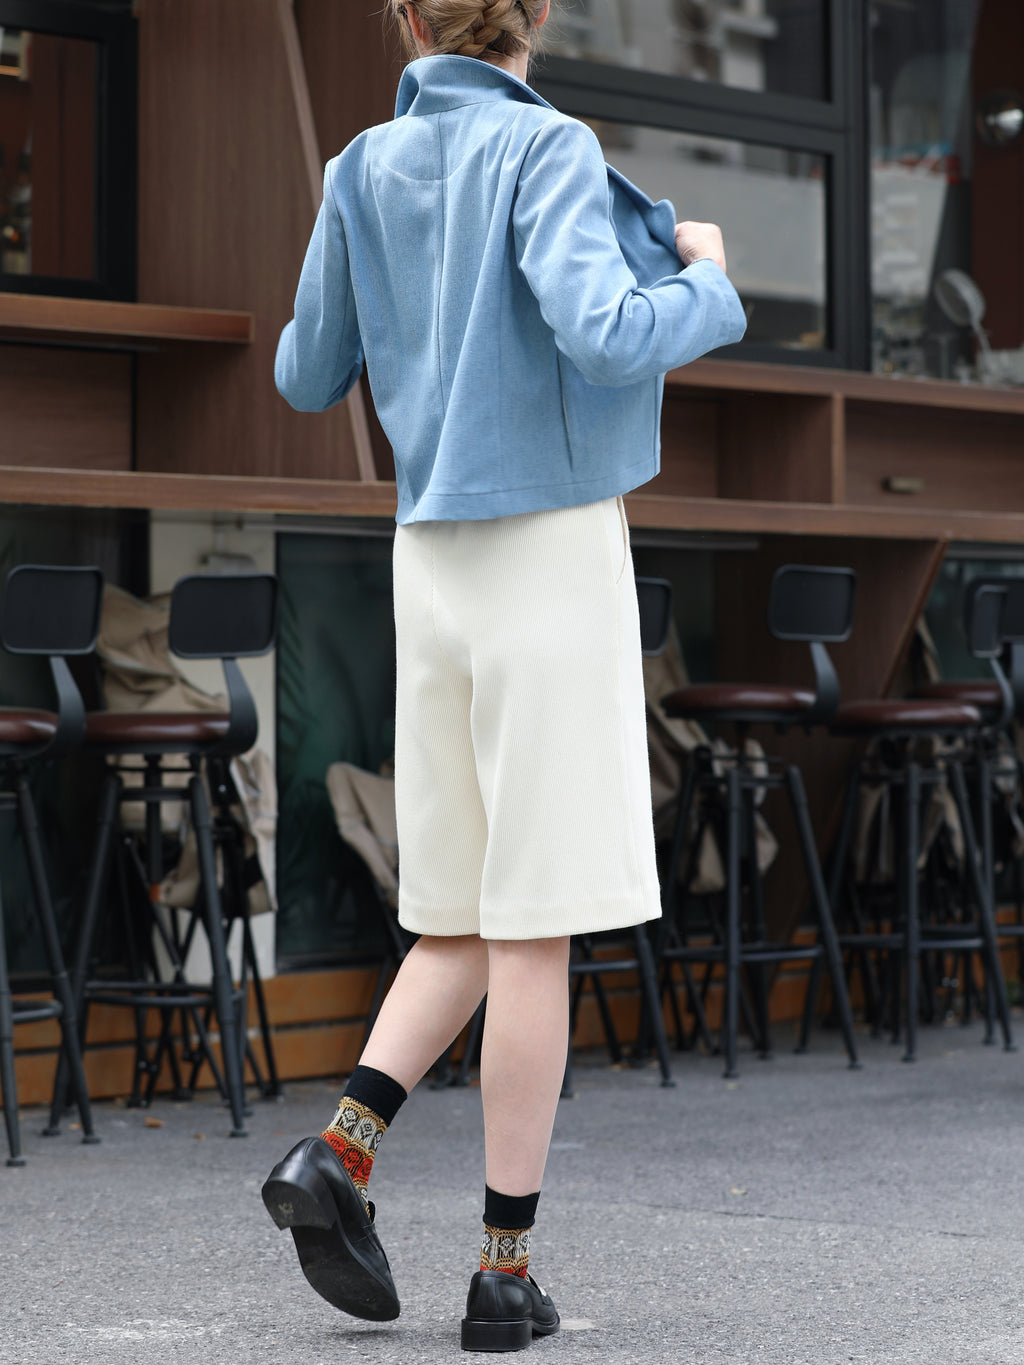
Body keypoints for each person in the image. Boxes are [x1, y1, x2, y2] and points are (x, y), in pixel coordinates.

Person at [262, 0, 745, 1352]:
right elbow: (607, 333)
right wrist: (707, 280)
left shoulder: (359, 166)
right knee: (534, 925)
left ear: (408, 18)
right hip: (547, 555)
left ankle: (337, 1154)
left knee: (465, 910)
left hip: (431, 563)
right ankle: (501, 1272)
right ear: (533, 15)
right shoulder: (549, 148)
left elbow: (304, 372)